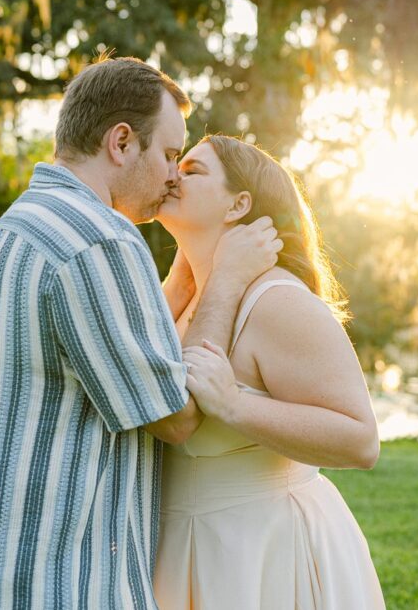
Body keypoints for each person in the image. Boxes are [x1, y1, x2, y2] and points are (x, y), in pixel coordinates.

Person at [0, 58, 282, 609]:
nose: (174, 176)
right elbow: (176, 416)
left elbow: (113, 347)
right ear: (121, 142)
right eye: (168, 154)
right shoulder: (100, 241)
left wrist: (183, 279)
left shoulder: (27, 218)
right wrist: (225, 280)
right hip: (43, 584)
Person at [153, 135, 385, 609]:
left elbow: (361, 440)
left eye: (193, 170)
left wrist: (234, 406)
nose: (173, 173)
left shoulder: (276, 300)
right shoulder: (185, 299)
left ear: (239, 204)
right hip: (182, 548)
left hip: (264, 555)